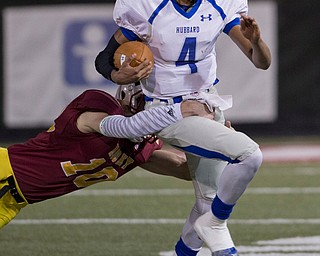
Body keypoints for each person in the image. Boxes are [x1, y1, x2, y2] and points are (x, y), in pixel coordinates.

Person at [95, 0, 271, 255]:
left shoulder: (220, 5)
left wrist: (256, 41)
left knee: (206, 204)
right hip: (166, 110)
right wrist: (116, 75)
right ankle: (217, 224)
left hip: (208, 104)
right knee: (249, 155)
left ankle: (204, 232)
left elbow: (261, 62)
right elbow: (103, 58)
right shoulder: (148, 7)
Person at [0, 83, 213, 229]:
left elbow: (184, 169)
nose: (149, 107)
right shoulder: (100, 110)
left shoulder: (139, 146)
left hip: (12, 203)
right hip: (4, 169)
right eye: (146, 101)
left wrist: (216, 148)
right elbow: (117, 127)